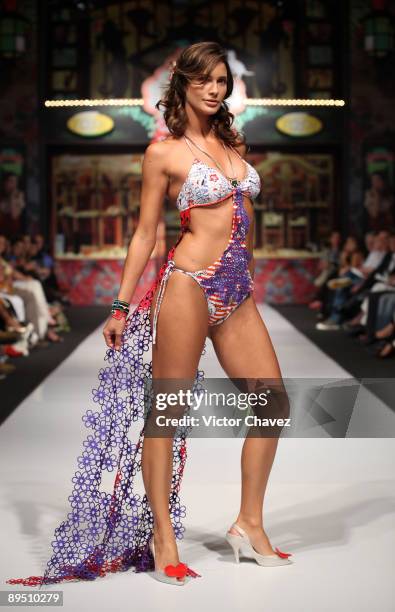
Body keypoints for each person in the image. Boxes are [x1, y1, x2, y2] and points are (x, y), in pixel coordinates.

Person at [6, 42, 292, 589]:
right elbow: (147, 233)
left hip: (236, 291)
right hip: (186, 285)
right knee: (169, 411)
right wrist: (120, 302)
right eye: (205, 80)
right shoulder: (163, 153)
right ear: (182, 85)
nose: (216, 89)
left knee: (272, 401)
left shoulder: (233, 142)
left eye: (222, 81)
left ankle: (249, 522)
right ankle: (164, 537)